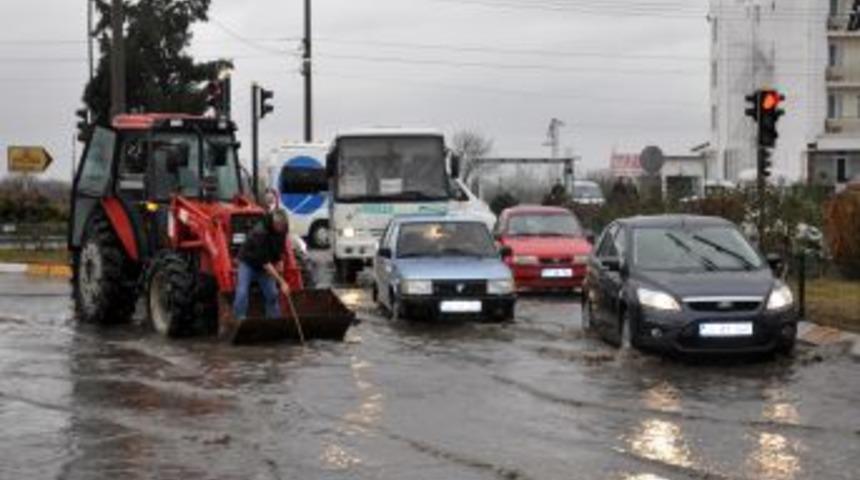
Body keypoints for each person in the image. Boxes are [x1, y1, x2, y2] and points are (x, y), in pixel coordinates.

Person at [233, 209, 291, 320]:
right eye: (281, 227)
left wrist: (280, 262)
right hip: (248, 263)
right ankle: (239, 320)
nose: (283, 229)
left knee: (273, 294)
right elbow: (266, 264)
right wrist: (282, 282)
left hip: (265, 263)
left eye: (284, 227)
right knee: (242, 291)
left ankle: (274, 322)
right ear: (275, 224)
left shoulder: (282, 229)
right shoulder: (260, 232)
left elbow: (280, 248)